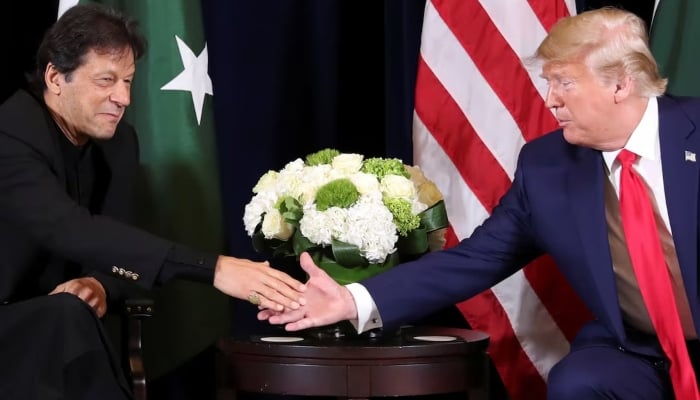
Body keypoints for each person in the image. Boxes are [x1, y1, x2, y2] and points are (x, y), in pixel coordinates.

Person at [260, 7, 700, 400]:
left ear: (621, 84)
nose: (550, 100)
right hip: (636, 349)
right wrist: (354, 300)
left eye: (565, 82)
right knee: (579, 381)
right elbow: (477, 258)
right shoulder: (546, 167)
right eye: (549, 83)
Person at [0, 4, 305, 400]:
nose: (123, 97)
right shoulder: (9, 134)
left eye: (128, 81)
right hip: (11, 325)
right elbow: (71, 229)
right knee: (64, 317)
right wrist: (212, 268)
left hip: (62, 323)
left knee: (69, 314)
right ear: (55, 77)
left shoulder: (120, 143)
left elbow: (118, 238)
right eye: (106, 80)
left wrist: (100, 283)